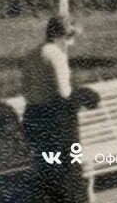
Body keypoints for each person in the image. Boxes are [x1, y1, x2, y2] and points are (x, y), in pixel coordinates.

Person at [21, 15, 97, 203]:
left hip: (34, 120)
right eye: (70, 38)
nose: (70, 43)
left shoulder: (32, 55)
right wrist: (87, 97)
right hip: (58, 124)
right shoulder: (56, 54)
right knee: (69, 173)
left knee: (47, 172)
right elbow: (64, 93)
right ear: (60, 36)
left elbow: (27, 91)